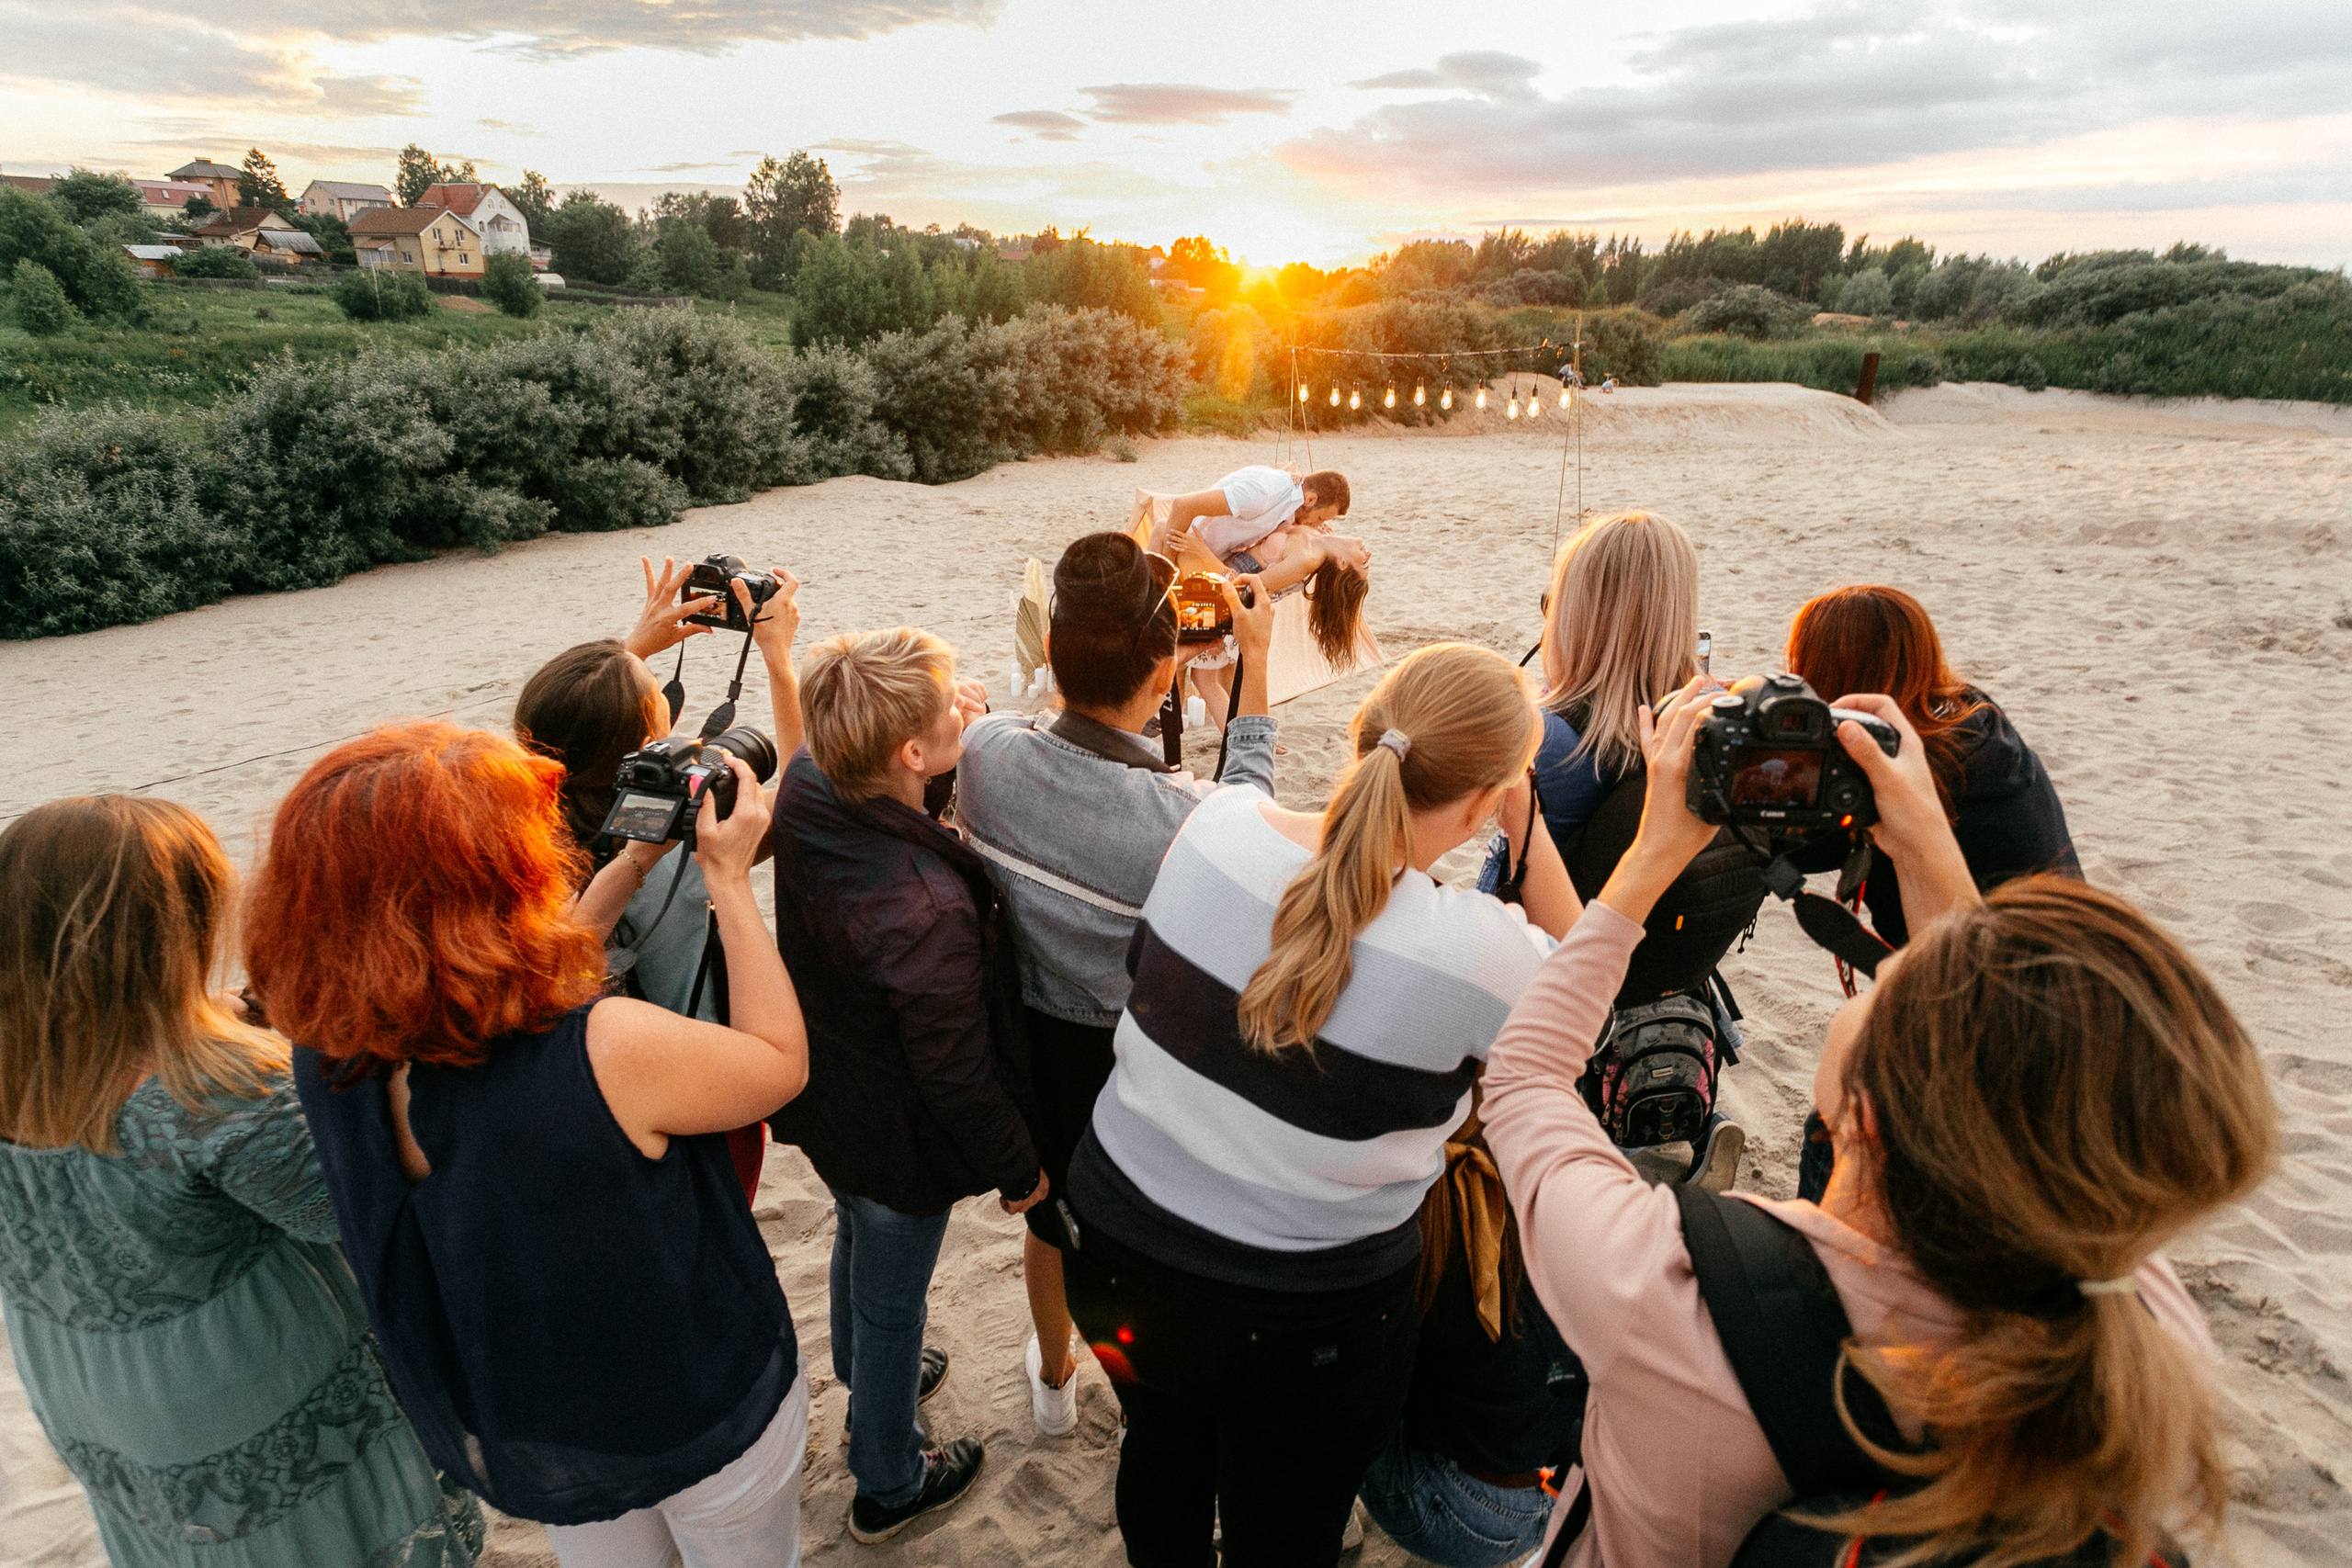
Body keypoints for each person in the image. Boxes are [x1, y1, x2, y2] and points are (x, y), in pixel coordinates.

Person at [1482, 685, 2276, 1568]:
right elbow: (2035, 1075)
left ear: (1858, 1117)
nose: (1911, 959)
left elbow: (1522, 1078)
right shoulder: (2141, 1327)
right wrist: (1926, 838)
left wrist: (1654, 854)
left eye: (1905, 982)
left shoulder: (1664, 1289)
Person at [1058, 642, 1579, 1568]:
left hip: (1116, 1247)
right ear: (1481, 801)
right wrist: (1526, 824)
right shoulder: (1483, 955)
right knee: (1285, 1526)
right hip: (1305, 1324)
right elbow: (1588, 1001)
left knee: (1162, 1453)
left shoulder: (1217, 825)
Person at [248, 722, 812, 1568]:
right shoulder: (609, 1049)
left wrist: (631, 863)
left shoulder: (333, 1049)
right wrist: (728, 880)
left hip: (536, 1409)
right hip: (693, 1392)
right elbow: (778, 1064)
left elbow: (503, 987)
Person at [0, 795, 482, 1568]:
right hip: (242, 1388)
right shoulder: (209, 1089)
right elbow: (362, 1210)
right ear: (173, 928)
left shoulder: (32, 1066)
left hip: (92, 1391)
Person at [954, 533, 1277, 1438]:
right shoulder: (1179, 818)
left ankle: (1054, 1380)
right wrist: (1249, 675)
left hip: (1030, 1049)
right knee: (1162, 1235)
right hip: (1141, 1053)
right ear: (1162, 668)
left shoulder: (983, 757)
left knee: (1051, 1221)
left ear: (1051, 652)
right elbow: (1246, 811)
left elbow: (1016, 720)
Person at [764, 626, 1043, 1542]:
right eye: (943, 704)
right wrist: (1017, 1168)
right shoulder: (920, 909)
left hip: (830, 1088)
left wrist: (941, 755)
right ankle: (888, 1477)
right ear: (908, 753)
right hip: (896, 1127)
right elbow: (955, 1071)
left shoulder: (809, 784)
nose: (964, 696)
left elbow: (884, 799)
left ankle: (860, 1362)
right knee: (893, 1292)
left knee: (857, 1233)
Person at [1476, 510, 1756, 1188]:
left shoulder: (1553, 741)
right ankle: (1694, 1118)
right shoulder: (1714, 729)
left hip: (1568, 984)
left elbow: (1493, 889)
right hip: (1673, 970)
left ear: (1573, 614)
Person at [515, 557, 801, 1201]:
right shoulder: (686, 832)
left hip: (590, 1091)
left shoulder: (526, 831)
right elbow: (804, 794)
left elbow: (557, 735)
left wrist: (626, 655)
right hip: (700, 1083)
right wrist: (779, 661)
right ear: (645, 746)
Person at [1784, 583, 2077, 950]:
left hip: (1997, 981)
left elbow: (1797, 844)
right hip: (2071, 953)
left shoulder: (1897, 769)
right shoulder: (1974, 721)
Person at [1354, 1101, 1583, 1568]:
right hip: (1563, 1491)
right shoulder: (1556, 1178)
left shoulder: (1425, 1216)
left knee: (1326, 1375)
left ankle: (1331, 1521)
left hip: (1465, 1516)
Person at [1149, 466, 1374, 727]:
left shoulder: (1310, 556)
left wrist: (1202, 553)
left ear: (1344, 564)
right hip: (1225, 572)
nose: (1369, 554)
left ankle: (1167, 707)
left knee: (1164, 532)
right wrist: (1291, 478)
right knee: (1207, 679)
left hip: (1228, 587)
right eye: (1323, 517)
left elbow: (1249, 585)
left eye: (1364, 564)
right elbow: (1296, 500)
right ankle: (1224, 731)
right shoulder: (1317, 532)